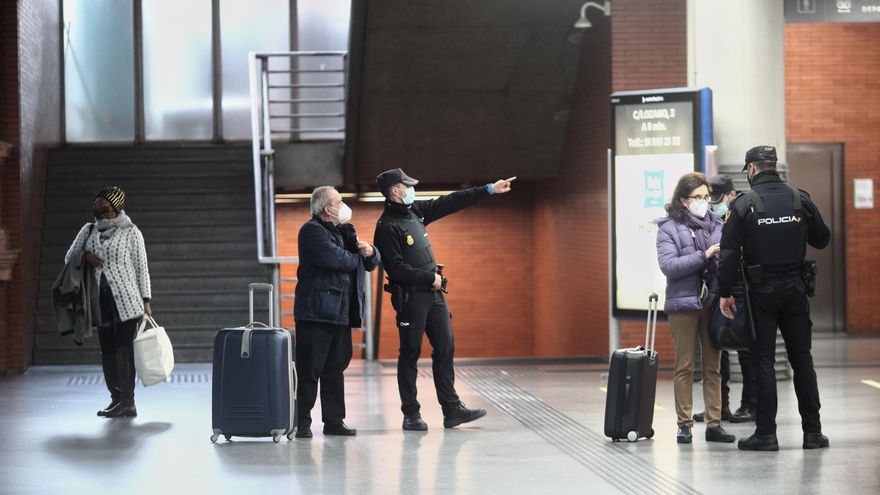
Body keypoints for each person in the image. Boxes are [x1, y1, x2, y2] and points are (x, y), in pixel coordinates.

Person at [373, 168, 514, 431]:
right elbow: (396, 269)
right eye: (407, 185)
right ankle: (411, 413)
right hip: (411, 298)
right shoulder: (386, 227)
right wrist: (429, 278)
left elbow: (448, 201)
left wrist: (488, 189)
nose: (411, 189)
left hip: (433, 295)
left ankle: (452, 410)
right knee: (410, 353)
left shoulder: (414, 212)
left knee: (445, 347)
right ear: (395, 190)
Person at [718, 145, 831, 451]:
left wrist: (725, 293)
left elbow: (728, 254)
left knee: (764, 362)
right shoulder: (800, 198)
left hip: (760, 294)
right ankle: (813, 433)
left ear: (752, 169)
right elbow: (822, 238)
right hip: (796, 291)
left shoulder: (744, 205)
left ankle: (766, 434)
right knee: (802, 360)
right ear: (775, 166)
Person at [293, 186, 380, 438]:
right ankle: (302, 423)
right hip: (315, 314)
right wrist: (359, 258)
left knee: (335, 368)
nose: (344, 205)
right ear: (327, 208)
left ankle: (334, 421)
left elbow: (370, 263)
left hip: (341, 314)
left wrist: (371, 251)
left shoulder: (344, 232)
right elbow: (337, 260)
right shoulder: (311, 231)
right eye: (339, 201)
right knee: (310, 371)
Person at [655, 172, 736, 444]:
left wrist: (720, 260)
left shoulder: (718, 224)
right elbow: (669, 266)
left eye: (706, 196)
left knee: (714, 366)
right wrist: (704, 255)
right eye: (697, 197)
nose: (703, 202)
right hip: (683, 304)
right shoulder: (668, 228)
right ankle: (684, 424)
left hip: (712, 302)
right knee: (685, 365)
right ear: (683, 200)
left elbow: (727, 260)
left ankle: (714, 423)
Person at [64, 187, 151, 418]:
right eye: (97, 199)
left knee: (124, 348)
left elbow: (142, 268)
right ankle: (115, 399)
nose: (97, 202)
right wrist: (85, 257)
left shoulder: (132, 232)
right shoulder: (89, 229)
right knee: (107, 350)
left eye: (102, 200)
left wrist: (146, 300)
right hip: (99, 300)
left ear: (112, 206)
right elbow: (68, 257)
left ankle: (128, 401)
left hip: (128, 301)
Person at [692, 174, 757, 424]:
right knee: (719, 347)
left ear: (731, 194)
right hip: (720, 289)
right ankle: (720, 406)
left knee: (747, 350)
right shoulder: (713, 218)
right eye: (710, 199)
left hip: (745, 290)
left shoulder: (746, 211)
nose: (713, 204)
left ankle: (750, 405)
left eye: (717, 199)